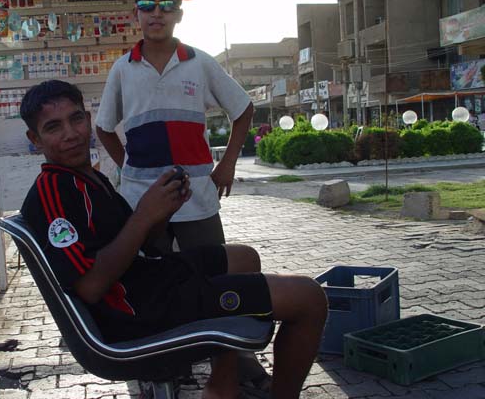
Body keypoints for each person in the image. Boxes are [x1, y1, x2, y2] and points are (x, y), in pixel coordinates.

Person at [19, 80, 328, 399]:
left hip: (150, 282)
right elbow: (91, 286)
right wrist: (143, 217)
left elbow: (143, 245)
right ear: (35, 139)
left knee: (244, 257)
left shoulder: (89, 177)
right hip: (138, 313)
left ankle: (221, 387)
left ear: (87, 118)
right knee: (309, 298)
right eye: (54, 126)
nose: (71, 133)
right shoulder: (53, 192)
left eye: (76, 119)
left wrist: (160, 211)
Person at [95, 0, 254, 255]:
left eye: (166, 5)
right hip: (140, 202)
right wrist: (127, 166)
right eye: (147, 5)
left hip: (198, 200)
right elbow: (104, 127)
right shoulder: (122, 69)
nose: (157, 13)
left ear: (179, 14)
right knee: (152, 283)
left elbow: (243, 108)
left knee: (212, 278)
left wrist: (228, 164)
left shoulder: (200, 63)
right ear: (136, 13)